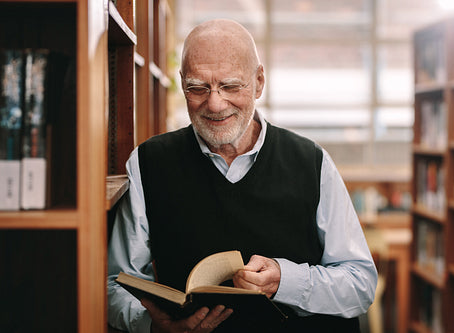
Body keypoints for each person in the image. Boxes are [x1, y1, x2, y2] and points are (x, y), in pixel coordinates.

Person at [107, 18, 377, 333]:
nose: (215, 103)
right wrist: (151, 326)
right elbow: (115, 285)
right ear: (181, 83)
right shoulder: (147, 163)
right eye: (197, 88)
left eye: (230, 86)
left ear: (259, 82)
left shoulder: (312, 162)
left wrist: (285, 281)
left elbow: (361, 285)